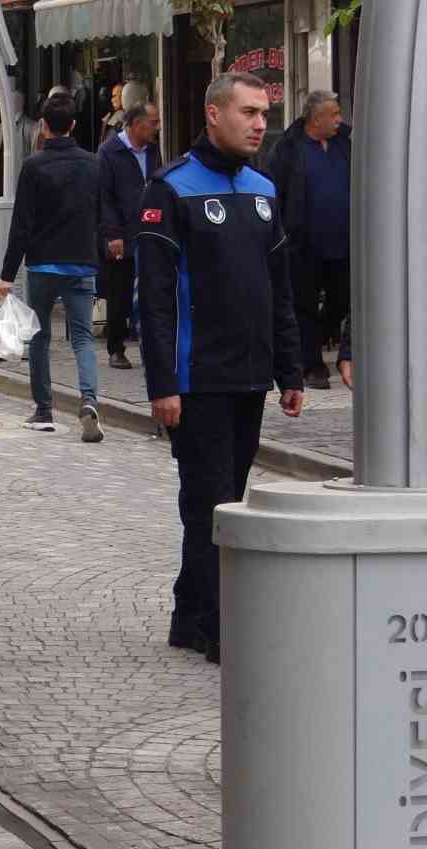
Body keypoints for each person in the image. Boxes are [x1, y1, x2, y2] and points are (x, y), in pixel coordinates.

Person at [136, 72, 304, 664]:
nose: (261, 123)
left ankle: (189, 615)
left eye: (265, 113)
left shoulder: (263, 189)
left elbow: (278, 289)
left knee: (230, 495)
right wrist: (163, 384)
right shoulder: (171, 189)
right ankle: (216, 626)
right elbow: (154, 300)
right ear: (213, 114)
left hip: (250, 376)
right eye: (249, 111)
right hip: (197, 379)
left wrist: (292, 369)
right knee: (209, 504)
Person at [0, 93, 104, 442]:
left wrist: (7, 274)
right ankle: (89, 399)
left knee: (39, 337)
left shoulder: (34, 165)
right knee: (83, 339)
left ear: (43, 126)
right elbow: (101, 213)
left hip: (42, 263)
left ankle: (43, 409)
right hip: (81, 263)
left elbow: (21, 224)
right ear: (73, 125)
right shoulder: (93, 164)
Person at [268, 89, 352, 390]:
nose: (340, 120)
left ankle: (325, 338)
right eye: (335, 115)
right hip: (303, 245)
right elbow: (275, 195)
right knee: (303, 305)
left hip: (343, 243)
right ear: (316, 119)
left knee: (341, 300)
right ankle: (312, 364)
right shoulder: (288, 149)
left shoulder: (345, 142)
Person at [95, 100, 162, 371]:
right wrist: (113, 234)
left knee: (151, 290)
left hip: (149, 230)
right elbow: (104, 196)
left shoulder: (153, 150)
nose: (157, 128)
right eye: (153, 123)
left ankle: (150, 345)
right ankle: (116, 348)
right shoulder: (109, 152)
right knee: (119, 291)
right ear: (135, 124)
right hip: (120, 233)